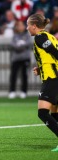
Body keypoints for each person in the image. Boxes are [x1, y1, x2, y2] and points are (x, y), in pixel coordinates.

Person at [26, 13, 58, 152]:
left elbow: (53, 51)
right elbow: (50, 56)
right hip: (53, 76)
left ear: (34, 26)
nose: (27, 28)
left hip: (52, 78)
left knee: (42, 113)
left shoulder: (40, 37)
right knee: (55, 112)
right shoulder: (50, 36)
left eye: (28, 25)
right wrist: (40, 68)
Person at [8, 20, 32, 99]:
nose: (20, 27)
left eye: (22, 25)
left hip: (25, 58)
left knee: (24, 75)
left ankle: (24, 91)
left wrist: (20, 46)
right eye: (19, 26)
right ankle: (12, 91)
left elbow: (28, 43)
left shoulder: (27, 35)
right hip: (16, 59)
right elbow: (12, 44)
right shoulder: (15, 36)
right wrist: (20, 46)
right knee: (13, 75)